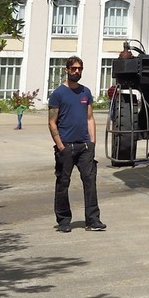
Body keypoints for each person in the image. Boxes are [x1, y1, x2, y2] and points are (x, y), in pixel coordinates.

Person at [49, 55, 106, 232]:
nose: (76, 71)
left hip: (85, 146)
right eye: (73, 68)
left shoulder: (85, 92)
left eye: (79, 69)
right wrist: (60, 145)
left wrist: (92, 142)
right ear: (66, 70)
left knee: (90, 181)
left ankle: (93, 220)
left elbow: (90, 118)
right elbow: (52, 122)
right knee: (63, 182)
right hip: (66, 146)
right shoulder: (58, 94)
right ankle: (64, 221)